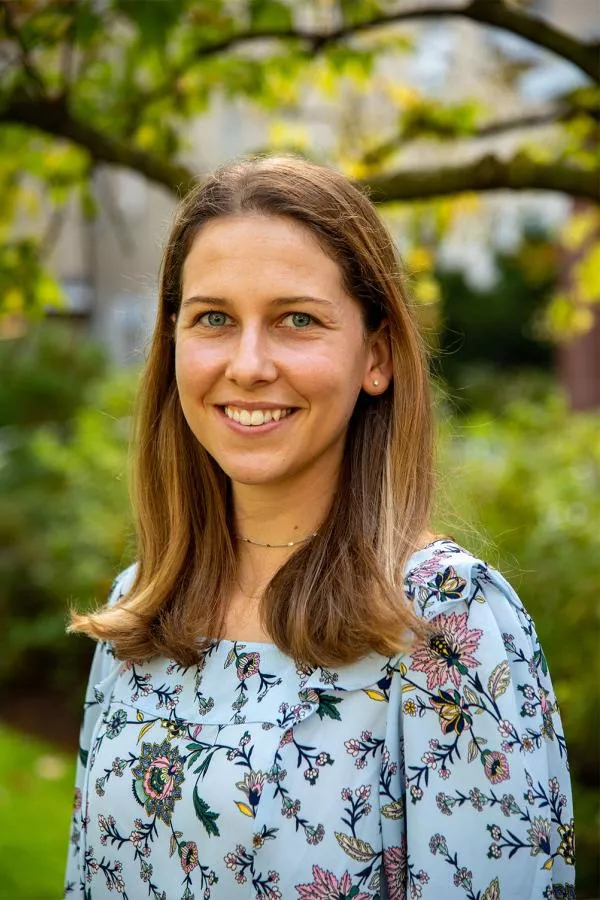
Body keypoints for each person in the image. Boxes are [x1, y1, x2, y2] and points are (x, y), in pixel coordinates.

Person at [64, 156, 574, 900]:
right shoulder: (140, 608)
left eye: (295, 319)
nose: (247, 364)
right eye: (213, 319)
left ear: (375, 355)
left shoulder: (447, 623)